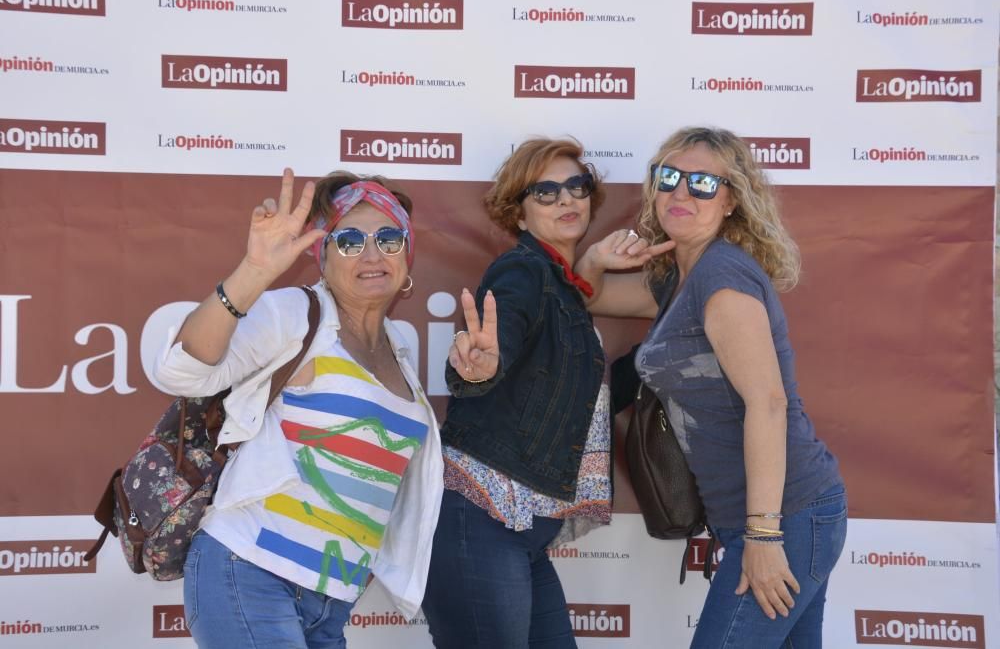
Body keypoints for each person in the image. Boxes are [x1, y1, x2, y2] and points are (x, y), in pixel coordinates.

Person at [575, 127, 846, 648]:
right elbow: (594, 296)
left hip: (786, 516)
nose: (681, 192)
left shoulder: (722, 280)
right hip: (778, 517)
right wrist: (593, 262)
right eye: (669, 177)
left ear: (731, 201)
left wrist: (764, 537)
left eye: (702, 183)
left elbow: (767, 404)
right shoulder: (680, 279)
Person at [153, 168, 443, 649]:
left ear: (406, 254)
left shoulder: (398, 351)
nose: (372, 254)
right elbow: (179, 372)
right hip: (250, 573)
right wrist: (255, 271)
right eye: (349, 240)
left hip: (329, 605)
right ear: (321, 256)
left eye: (388, 238)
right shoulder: (296, 314)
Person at [421, 139, 652, 648]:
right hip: (479, 518)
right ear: (519, 215)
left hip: (521, 531)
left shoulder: (564, 288)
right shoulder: (522, 272)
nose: (565, 199)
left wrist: (593, 267)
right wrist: (481, 367)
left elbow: (566, 400)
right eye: (544, 192)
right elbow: (495, 344)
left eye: (576, 186)